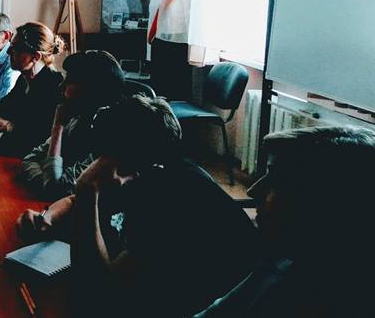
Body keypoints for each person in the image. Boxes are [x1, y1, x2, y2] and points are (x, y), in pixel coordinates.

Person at [70, 95, 259, 317]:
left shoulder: (168, 197)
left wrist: (86, 191)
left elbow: (101, 290)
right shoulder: (164, 170)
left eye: (103, 155)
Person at [195, 126, 375, 318]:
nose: (252, 190)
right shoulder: (284, 257)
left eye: (278, 180)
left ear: (323, 199)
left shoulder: (303, 291)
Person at [18, 50, 125, 204]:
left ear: (91, 88)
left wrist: (58, 126)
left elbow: (54, 190)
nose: (62, 85)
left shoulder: (108, 136)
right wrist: (46, 182)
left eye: (70, 80)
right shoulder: (77, 118)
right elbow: (30, 159)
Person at [0, 22, 64, 156]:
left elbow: (38, 137)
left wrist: (10, 126)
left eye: (15, 48)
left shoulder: (55, 86)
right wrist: (12, 127)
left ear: (36, 56)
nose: (8, 52)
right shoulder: (23, 80)